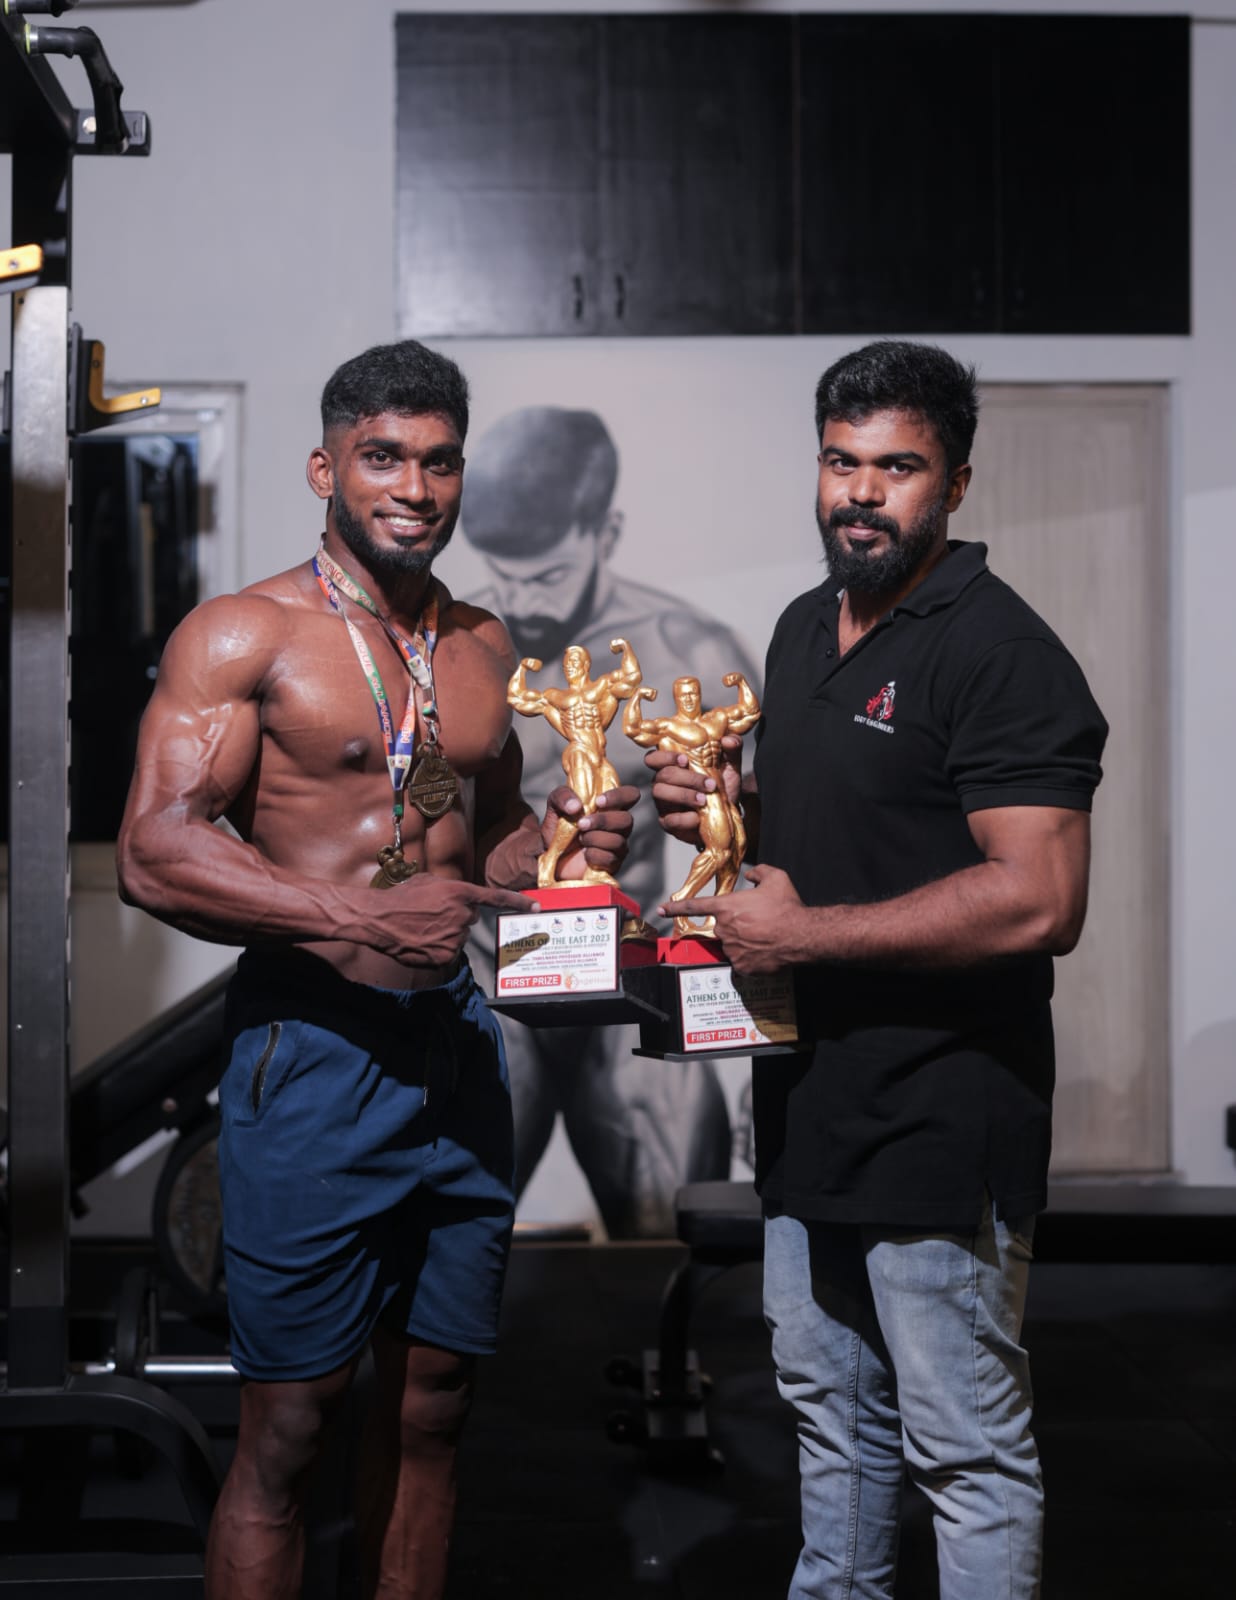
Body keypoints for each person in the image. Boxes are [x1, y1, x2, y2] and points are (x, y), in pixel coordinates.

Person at [116, 341, 638, 1600]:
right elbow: (154, 851)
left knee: (435, 1405)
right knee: (292, 1426)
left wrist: (564, 842)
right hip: (316, 1046)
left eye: (439, 461)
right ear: (326, 469)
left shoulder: (480, 643)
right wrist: (351, 914)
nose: (414, 486)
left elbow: (491, 838)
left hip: (454, 1050)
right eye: (383, 457)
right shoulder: (245, 633)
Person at [647, 340, 1107, 1600]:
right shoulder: (806, 630)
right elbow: (844, 828)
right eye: (840, 462)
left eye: (896, 468)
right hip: (811, 1106)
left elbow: (1042, 896)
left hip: (942, 1116)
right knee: (833, 1428)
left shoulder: (1002, 651)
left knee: (963, 1450)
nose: (861, 492)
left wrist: (804, 938)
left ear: (953, 484)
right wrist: (728, 812)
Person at [460, 405, 761, 1236]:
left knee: (671, 1229)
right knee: (456, 1231)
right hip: (500, 967)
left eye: (549, 576)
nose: (523, 600)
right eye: (505, 576)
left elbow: (756, 848)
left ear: (608, 533)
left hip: (634, 971)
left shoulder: (688, 652)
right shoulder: (463, 650)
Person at [623, 671, 760, 936]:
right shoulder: (669, 727)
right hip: (705, 795)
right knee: (719, 852)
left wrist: (741, 684)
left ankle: (717, 917)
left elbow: (749, 712)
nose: (688, 699)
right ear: (676, 697)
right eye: (683, 695)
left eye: (693, 694)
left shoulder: (715, 719)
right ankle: (682, 899)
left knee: (737, 850)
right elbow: (634, 728)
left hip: (723, 795)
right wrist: (637, 698)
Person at [508, 638, 644, 886]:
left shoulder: (602, 686)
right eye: (566, 662)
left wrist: (626, 648)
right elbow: (517, 698)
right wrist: (523, 669)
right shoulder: (556, 696)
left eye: (574, 660)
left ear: (586, 664)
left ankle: (594, 868)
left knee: (607, 807)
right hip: (578, 750)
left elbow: (631, 679)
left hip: (598, 754)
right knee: (582, 805)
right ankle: (549, 860)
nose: (569, 665)